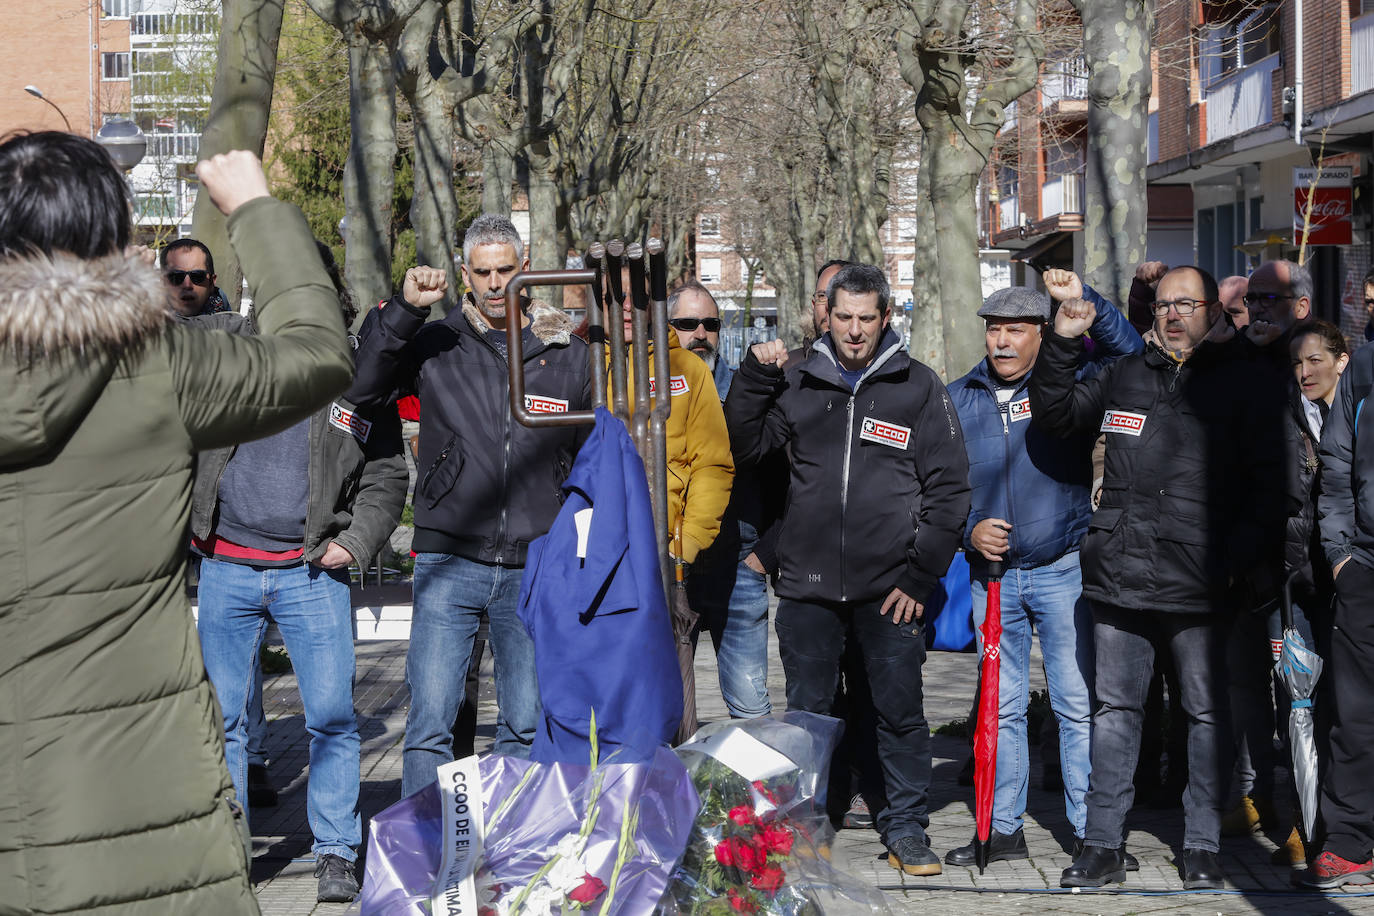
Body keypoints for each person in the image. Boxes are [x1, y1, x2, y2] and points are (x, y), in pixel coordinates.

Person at [0, 135, 353, 913]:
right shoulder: (160, 366)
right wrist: (255, 211)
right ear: (109, 236)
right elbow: (320, 354)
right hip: (140, 802)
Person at [1030, 266, 1285, 890]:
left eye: (1186, 304)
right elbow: (1057, 414)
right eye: (1164, 304)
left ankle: (1200, 846)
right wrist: (1064, 338)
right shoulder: (1124, 373)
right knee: (1115, 711)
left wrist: (1233, 560)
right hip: (1120, 573)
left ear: (1213, 314)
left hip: (1202, 581)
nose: (1172, 314)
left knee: (1204, 714)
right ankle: (1102, 847)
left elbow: (1271, 487)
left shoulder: (1244, 383)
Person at [726, 263, 971, 877]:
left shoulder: (917, 386)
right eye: (844, 317)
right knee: (809, 716)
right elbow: (745, 446)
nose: (855, 331)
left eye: (867, 318)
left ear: (886, 318)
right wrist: (755, 377)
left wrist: (921, 576)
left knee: (898, 711)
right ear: (824, 316)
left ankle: (906, 828)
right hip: (808, 585)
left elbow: (949, 489)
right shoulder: (798, 381)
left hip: (892, 589)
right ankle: (810, 823)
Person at [189, 247, 407, 902]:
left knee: (334, 718)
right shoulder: (223, 349)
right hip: (226, 567)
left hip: (310, 572)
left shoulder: (354, 369)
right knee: (223, 721)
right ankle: (232, 854)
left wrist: (359, 541)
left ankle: (337, 848)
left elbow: (386, 472)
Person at [346, 214, 590, 797]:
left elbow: (589, 454)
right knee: (430, 723)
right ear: (464, 274)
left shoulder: (568, 349)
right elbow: (364, 385)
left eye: (506, 270)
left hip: (534, 559)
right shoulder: (434, 341)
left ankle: (509, 855)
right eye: (482, 272)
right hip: (448, 557)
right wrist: (406, 310)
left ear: (525, 269)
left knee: (524, 724)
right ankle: (429, 858)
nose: (495, 283)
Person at [942, 271, 1142, 868]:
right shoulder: (957, 398)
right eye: (994, 330)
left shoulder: (1070, 387)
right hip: (991, 580)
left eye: (1016, 331)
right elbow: (937, 486)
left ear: (1042, 335)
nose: (1002, 342)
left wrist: (1083, 305)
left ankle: (1089, 833)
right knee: (999, 710)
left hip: (1062, 571)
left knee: (1076, 705)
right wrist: (968, 529)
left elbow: (1128, 352)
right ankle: (1001, 830)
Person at [1222, 259, 1315, 841]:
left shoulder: (1313, 369)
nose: (1258, 310)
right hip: (1237, 557)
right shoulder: (1233, 365)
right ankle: (1256, 796)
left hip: (1296, 562)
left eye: (1270, 300)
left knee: (1300, 693)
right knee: (1243, 686)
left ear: (1300, 307)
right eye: (1251, 299)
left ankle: (1310, 816)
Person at [669, 281, 772, 719]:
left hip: (739, 568)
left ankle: (753, 789)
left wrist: (766, 554)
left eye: (710, 324)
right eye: (686, 323)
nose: (700, 334)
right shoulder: (649, 391)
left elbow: (785, 476)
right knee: (669, 707)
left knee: (751, 708)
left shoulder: (748, 390)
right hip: (672, 567)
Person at [1305, 311, 1374, 887]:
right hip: (1365, 570)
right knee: (1353, 716)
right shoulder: (1363, 370)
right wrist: (1341, 555)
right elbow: (1336, 467)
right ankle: (1351, 840)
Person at [161, 236, 233, 316]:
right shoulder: (148, 325)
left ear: (212, 282)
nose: (187, 285)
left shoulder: (236, 326)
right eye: (176, 277)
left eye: (197, 276)